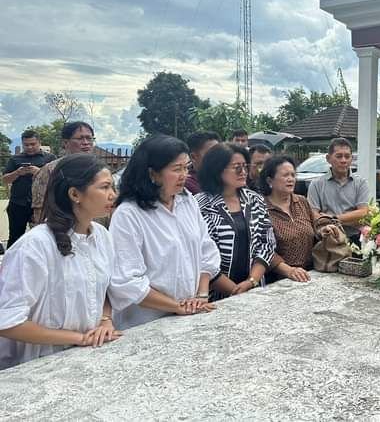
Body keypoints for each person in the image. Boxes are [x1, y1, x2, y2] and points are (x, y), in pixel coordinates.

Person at [0, 154, 121, 369]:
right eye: (104, 188)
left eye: (112, 187)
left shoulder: (102, 236)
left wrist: (105, 320)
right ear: (75, 194)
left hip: (89, 356)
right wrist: (77, 338)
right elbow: (8, 322)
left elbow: (104, 290)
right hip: (40, 363)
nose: (113, 195)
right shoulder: (35, 246)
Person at [109, 135, 221, 329]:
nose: (184, 175)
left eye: (186, 167)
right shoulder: (129, 214)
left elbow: (206, 251)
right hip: (145, 323)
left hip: (190, 313)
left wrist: (201, 295)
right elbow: (128, 281)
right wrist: (176, 306)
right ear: (153, 174)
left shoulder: (187, 201)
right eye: (176, 169)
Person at [195, 143, 276, 299]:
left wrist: (252, 281)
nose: (243, 172)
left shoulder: (255, 200)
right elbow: (201, 255)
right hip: (215, 293)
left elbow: (267, 242)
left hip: (254, 287)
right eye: (237, 168)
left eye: (245, 166)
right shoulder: (200, 205)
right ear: (217, 170)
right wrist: (235, 290)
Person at [258, 156, 313, 282]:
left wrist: (326, 228)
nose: (291, 179)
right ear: (270, 181)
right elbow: (261, 248)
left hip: (308, 274)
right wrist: (288, 270)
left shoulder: (302, 202)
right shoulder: (260, 208)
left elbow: (317, 224)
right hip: (278, 279)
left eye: (293, 175)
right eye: (285, 175)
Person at [31, 121, 96, 224]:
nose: (86, 142)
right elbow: (40, 208)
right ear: (65, 143)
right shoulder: (51, 170)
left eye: (89, 138)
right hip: (61, 230)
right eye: (80, 138)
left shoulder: (99, 171)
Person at [307, 137, 369, 242]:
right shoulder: (316, 185)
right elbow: (314, 216)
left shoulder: (360, 183)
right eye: (339, 156)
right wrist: (351, 219)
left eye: (347, 156)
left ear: (352, 158)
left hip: (356, 239)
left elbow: (363, 212)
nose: (343, 160)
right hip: (328, 240)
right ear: (328, 158)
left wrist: (333, 218)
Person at [2, 130, 56, 250]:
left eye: (33, 144)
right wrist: (17, 173)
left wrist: (40, 172)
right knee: (15, 237)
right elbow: (5, 180)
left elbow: (56, 180)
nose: (30, 147)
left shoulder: (50, 158)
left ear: (39, 143)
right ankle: (12, 266)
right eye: (26, 145)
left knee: (44, 238)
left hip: (41, 205)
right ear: (22, 144)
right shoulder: (15, 159)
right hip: (18, 204)